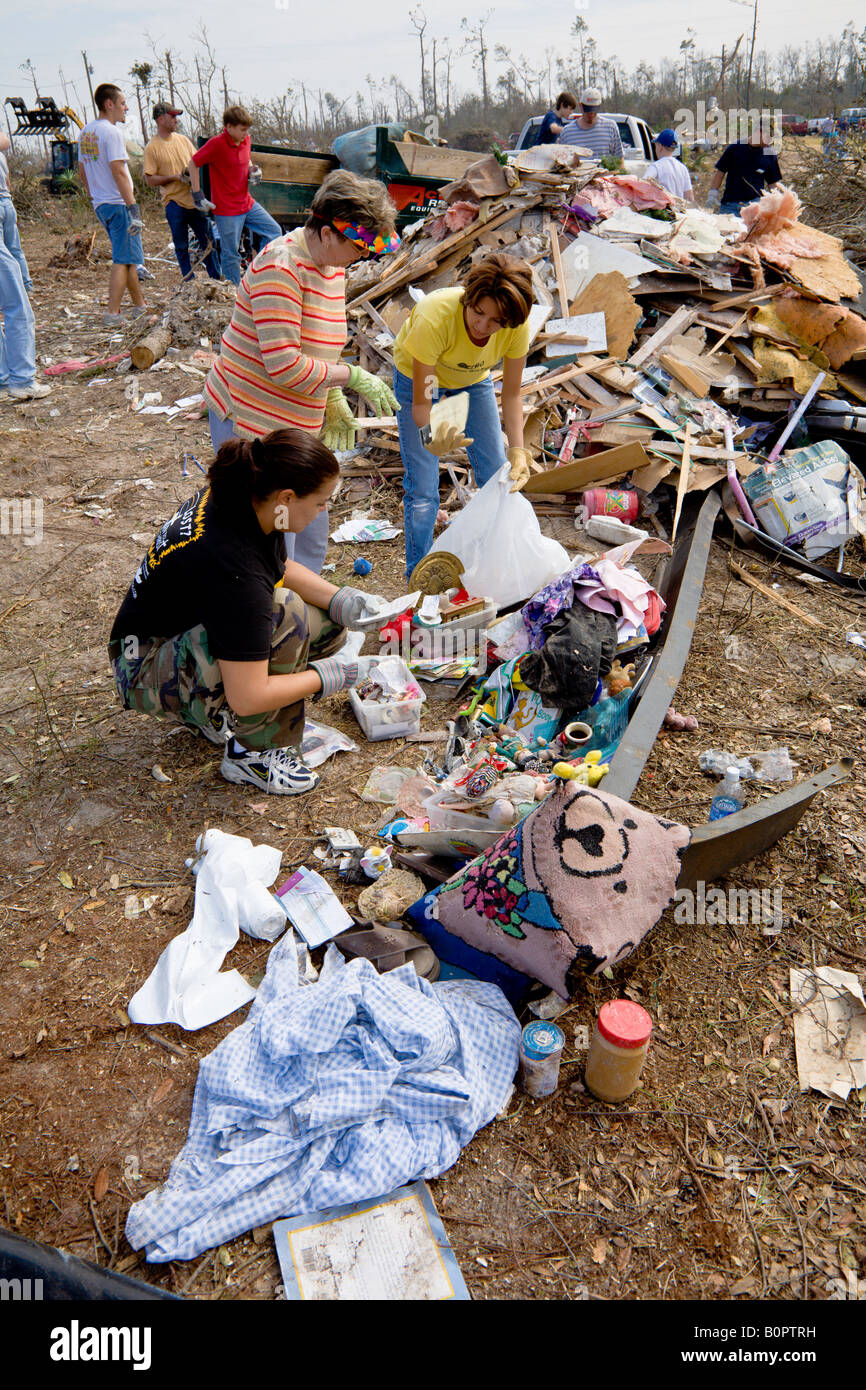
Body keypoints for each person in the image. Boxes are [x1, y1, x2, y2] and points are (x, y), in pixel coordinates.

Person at [108, 428, 388, 795]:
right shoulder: (235, 571)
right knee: (285, 614)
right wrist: (331, 676)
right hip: (142, 669)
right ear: (287, 497)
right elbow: (250, 696)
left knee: (329, 624)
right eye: (321, 502)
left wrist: (342, 600)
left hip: (166, 635)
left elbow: (277, 567)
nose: (325, 510)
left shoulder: (247, 496)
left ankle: (210, 708)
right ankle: (252, 753)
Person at [203, 169, 401, 574]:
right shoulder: (282, 268)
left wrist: (329, 400)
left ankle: (305, 602)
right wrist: (351, 378)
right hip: (251, 419)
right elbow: (284, 366)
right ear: (328, 233)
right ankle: (271, 613)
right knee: (274, 534)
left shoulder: (332, 267)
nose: (364, 256)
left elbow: (320, 344)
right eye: (360, 247)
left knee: (311, 519)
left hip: (293, 421)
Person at [391, 252, 534, 581]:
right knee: (424, 486)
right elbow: (422, 404)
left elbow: (512, 394)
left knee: (498, 475)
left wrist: (518, 448)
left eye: (495, 321)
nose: (482, 326)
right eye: (478, 312)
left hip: (472, 379)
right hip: (419, 381)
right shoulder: (435, 317)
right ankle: (420, 577)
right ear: (468, 299)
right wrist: (430, 437)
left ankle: (495, 564)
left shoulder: (517, 327)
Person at [77, 83, 147, 327]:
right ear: (109, 104)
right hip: (118, 204)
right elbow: (118, 170)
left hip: (102, 204)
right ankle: (113, 313)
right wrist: (132, 208)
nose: (126, 108)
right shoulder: (112, 132)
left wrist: (94, 196)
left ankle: (140, 307)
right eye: (122, 103)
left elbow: (83, 170)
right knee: (122, 260)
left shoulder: (86, 132)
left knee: (127, 257)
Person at [188, 105, 281, 285]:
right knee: (231, 254)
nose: (246, 134)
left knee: (274, 231)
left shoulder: (246, 140)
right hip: (227, 209)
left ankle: (258, 272)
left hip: (247, 203)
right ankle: (235, 292)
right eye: (242, 129)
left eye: (247, 130)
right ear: (229, 127)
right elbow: (193, 163)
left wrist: (253, 170)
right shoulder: (217, 144)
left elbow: (246, 160)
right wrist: (197, 193)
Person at [143, 102, 220, 282]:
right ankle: (189, 281)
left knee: (208, 242)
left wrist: (191, 177)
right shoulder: (152, 147)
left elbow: (197, 162)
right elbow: (149, 179)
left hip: (194, 200)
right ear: (160, 119)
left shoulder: (183, 140)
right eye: (172, 116)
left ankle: (217, 279)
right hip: (174, 203)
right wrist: (176, 177)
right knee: (181, 246)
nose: (176, 120)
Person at [706, 120, 781, 215]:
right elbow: (720, 173)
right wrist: (713, 193)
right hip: (730, 206)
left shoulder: (769, 154)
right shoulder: (735, 148)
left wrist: (776, 201)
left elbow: (772, 183)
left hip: (754, 207)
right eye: (769, 137)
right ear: (760, 132)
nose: (770, 141)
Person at [0, 133, 33, 293]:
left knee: (3, 253)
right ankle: (26, 285)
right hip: (7, 201)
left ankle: (13, 290)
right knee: (14, 248)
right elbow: (7, 181)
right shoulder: (1, 156)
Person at [557, 88, 623, 159]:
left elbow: (619, 159)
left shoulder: (611, 127)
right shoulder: (567, 132)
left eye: (594, 109)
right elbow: (561, 162)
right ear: (581, 106)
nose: (591, 114)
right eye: (588, 109)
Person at [644, 129, 693, 201]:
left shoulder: (656, 166)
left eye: (656, 145)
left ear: (660, 146)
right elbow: (689, 197)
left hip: (663, 209)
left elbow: (643, 185)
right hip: (679, 210)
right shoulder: (683, 168)